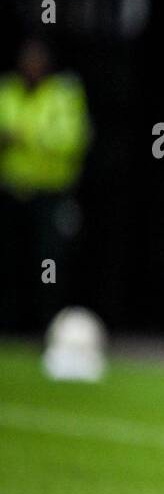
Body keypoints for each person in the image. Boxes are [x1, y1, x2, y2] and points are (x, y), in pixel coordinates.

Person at [0, 38, 91, 330]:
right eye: (28, 61)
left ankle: (46, 326)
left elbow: (71, 139)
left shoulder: (63, 95)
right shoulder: (7, 90)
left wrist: (22, 136)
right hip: (11, 192)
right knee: (10, 262)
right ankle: (9, 326)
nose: (32, 67)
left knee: (48, 265)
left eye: (38, 61)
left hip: (50, 194)